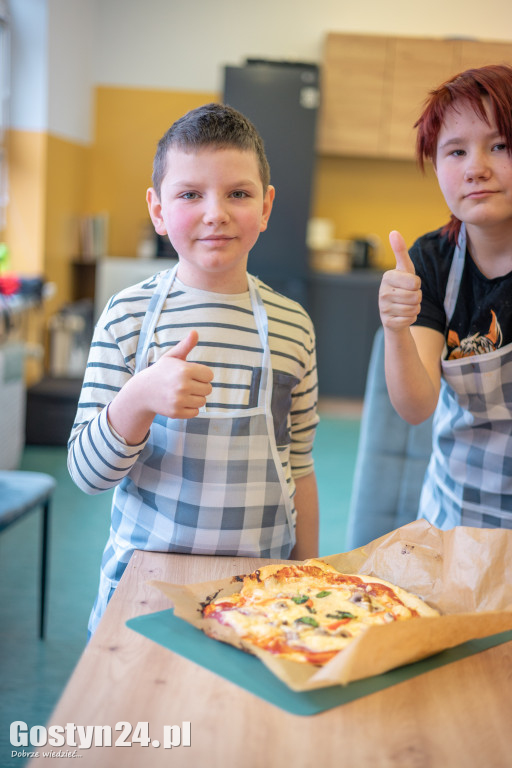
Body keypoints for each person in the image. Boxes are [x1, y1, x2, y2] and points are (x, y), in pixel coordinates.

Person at [68, 103, 320, 636]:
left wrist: (306, 574)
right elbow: (87, 476)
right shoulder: (128, 318)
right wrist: (137, 399)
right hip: (144, 588)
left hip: (261, 587)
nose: (216, 213)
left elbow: (299, 465)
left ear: (266, 205)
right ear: (157, 210)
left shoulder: (294, 325)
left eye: (238, 193)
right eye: (190, 194)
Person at [379, 64, 512, 531]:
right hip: (454, 518)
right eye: (456, 151)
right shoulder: (431, 261)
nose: (476, 168)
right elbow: (417, 407)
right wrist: (396, 329)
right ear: (435, 166)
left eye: (500, 145)